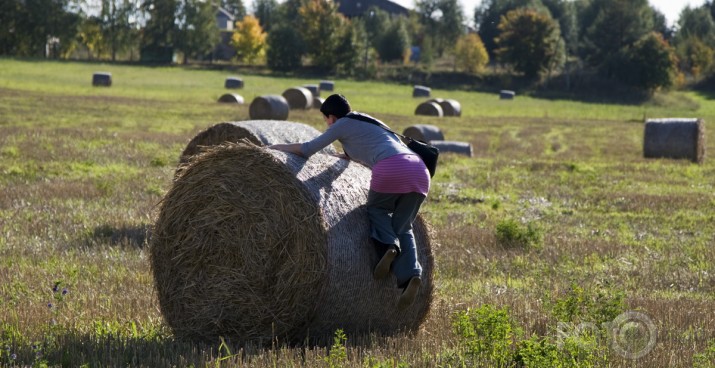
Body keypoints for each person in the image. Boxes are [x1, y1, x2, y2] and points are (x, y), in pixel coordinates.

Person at [269, 94, 430, 311]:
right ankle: (412, 274)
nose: (327, 124)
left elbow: (307, 149)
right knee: (404, 225)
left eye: (326, 120)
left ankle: (388, 248)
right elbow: (372, 149)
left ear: (331, 117)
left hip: (391, 168)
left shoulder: (342, 124)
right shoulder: (371, 122)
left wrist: (276, 148)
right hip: (419, 170)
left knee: (377, 208)